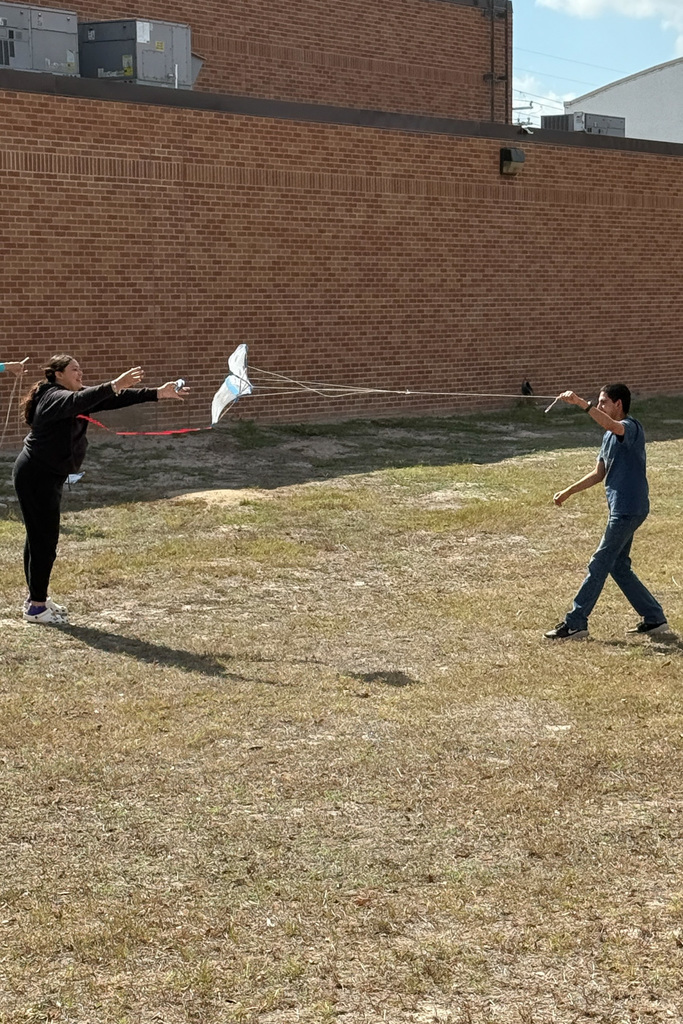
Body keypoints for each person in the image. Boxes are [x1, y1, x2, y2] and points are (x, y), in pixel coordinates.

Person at [13, 354, 189, 625]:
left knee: (39, 538)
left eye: (80, 369)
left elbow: (110, 399)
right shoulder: (53, 397)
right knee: (44, 542)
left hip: (45, 475)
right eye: (74, 369)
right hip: (36, 476)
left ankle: (37, 598)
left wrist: (157, 393)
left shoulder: (70, 395)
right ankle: (36, 608)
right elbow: (80, 400)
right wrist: (113, 384)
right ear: (58, 374)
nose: (80, 373)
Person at [544, 383, 667, 641]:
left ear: (618, 404)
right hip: (623, 509)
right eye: (598, 402)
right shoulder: (608, 436)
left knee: (599, 562)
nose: (599, 406)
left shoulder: (630, 427)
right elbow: (599, 473)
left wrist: (581, 403)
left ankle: (576, 623)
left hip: (628, 509)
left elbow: (613, 426)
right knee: (618, 566)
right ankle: (654, 617)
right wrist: (568, 491)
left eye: (603, 402)